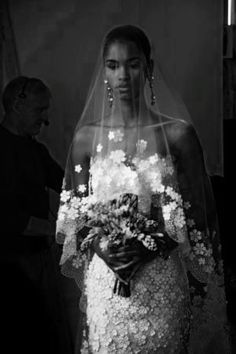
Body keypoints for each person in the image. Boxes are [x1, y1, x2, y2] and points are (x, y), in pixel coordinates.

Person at [56, 26, 230, 353]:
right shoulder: (85, 139)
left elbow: (200, 215)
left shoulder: (178, 135)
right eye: (113, 65)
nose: (122, 75)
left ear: (148, 67)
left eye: (132, 64)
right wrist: (105, 242)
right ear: (104, 71)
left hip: (162, 282)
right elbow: (75, 219)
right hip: (107, 285)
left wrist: (151, 241)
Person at [0, 76, 70, 353]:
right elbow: (8, 217)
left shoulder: (35, 149)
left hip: (39, 257)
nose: (46, 118)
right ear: (18, 104)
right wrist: (59, 229)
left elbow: (67, 184)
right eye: (40, 110)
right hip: (11, 265)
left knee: (51, 330)